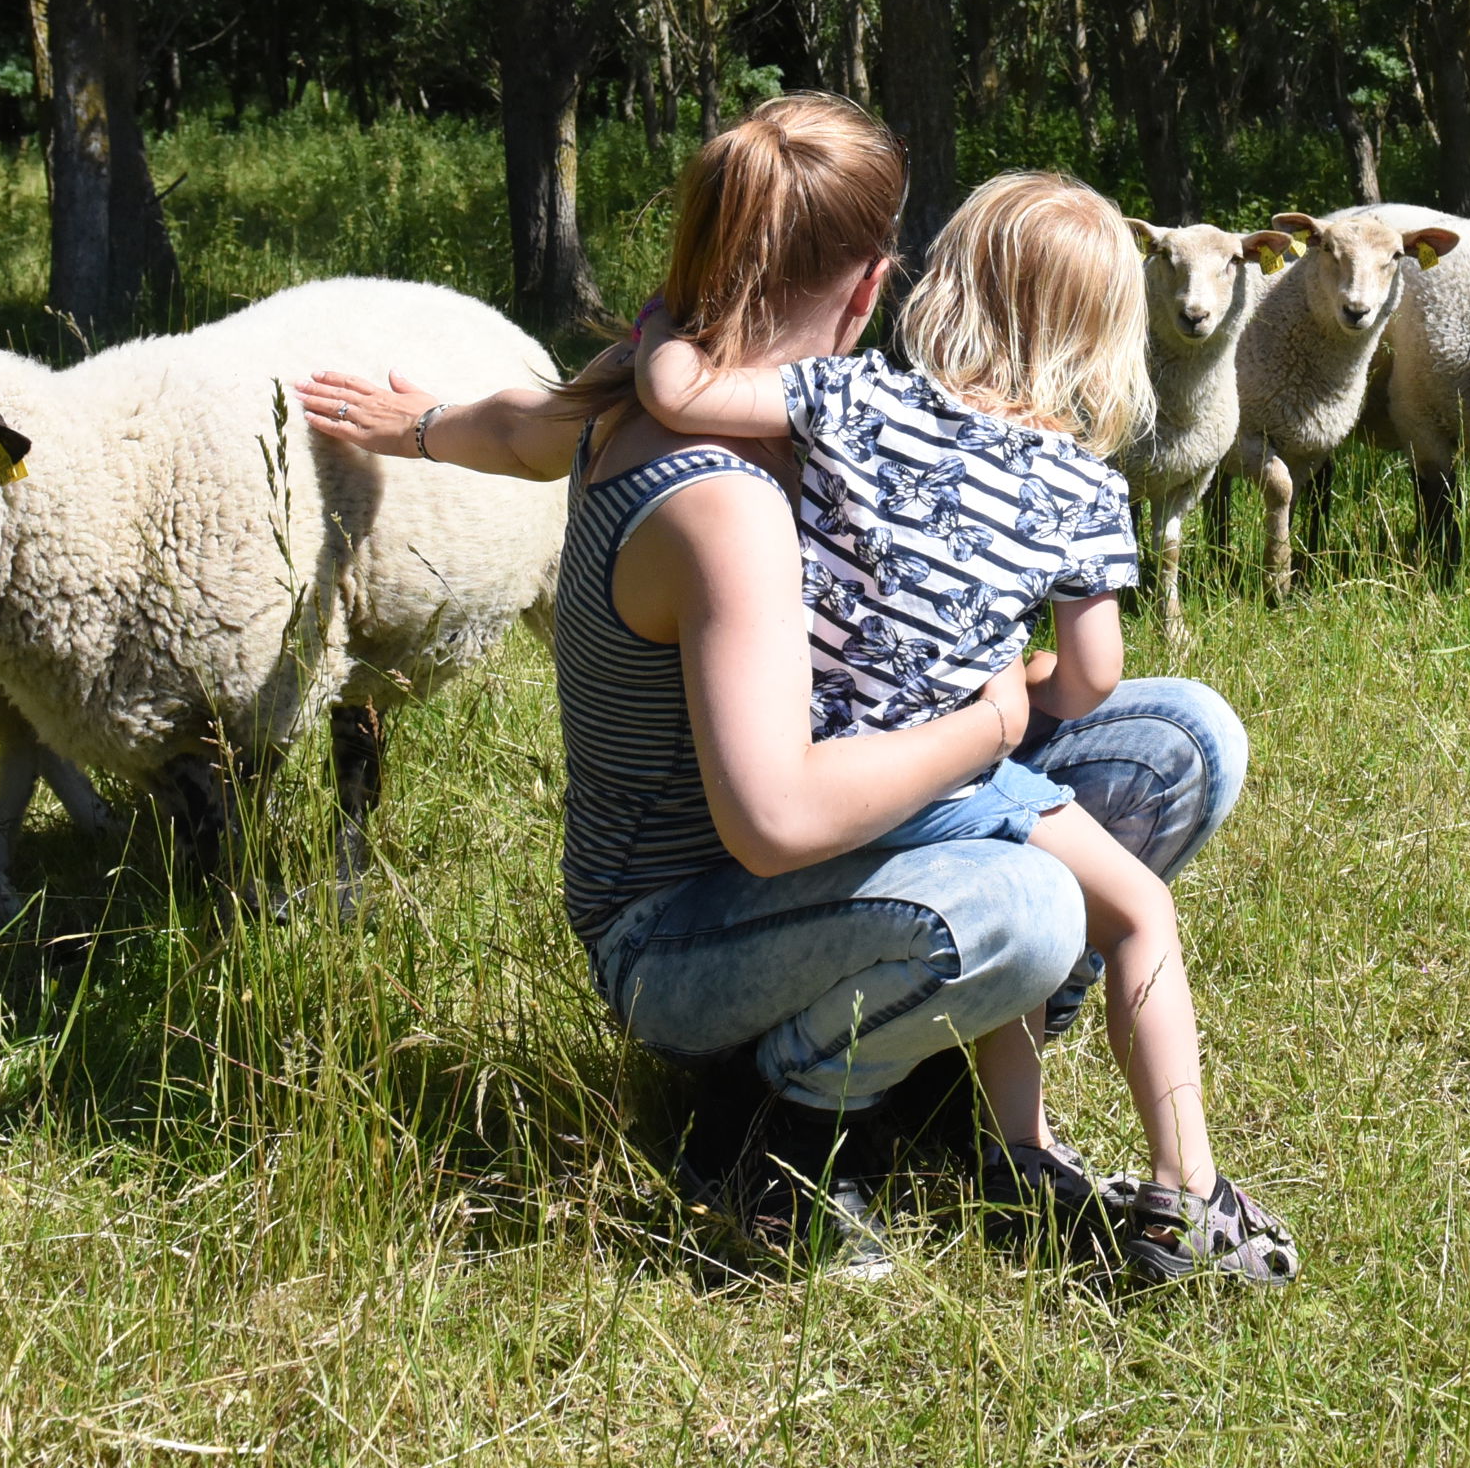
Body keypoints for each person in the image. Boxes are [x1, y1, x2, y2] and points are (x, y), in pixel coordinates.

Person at [292, 95, 1258, 1281]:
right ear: (872, 287)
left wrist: (424, 424)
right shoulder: (726, 502)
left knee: (1180, 739)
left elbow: (529, 429)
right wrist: (991, 721)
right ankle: (770, 1129)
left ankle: (925, 1069)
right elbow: (775, 821)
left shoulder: (807, 407)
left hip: (844, 820)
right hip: (684, 924)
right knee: (1035, 903)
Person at [637, 170, 1295, 1286]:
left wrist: (663, 320)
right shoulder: (1083, 484)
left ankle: (1015, 1150)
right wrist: (1020, 678)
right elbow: (1092, 678)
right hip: (947, 770)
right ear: (1107, 334)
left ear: (947, 285)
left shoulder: (853, 395)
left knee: (1032, 879)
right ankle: (1186, 1192)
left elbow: (680, 390)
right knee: (1135, 909)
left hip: (815, 766)